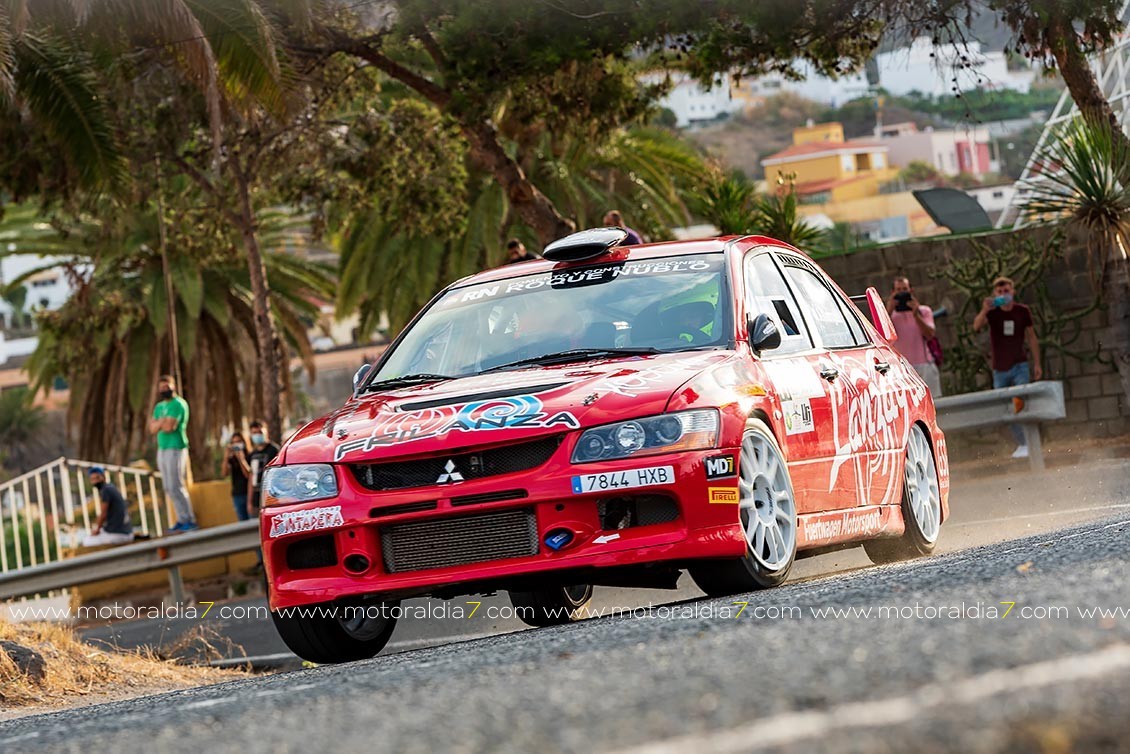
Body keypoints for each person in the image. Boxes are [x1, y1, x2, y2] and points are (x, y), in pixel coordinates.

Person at [973, 276, 1043, 459]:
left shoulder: (1022, 311)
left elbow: (1032, 337)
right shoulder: (993, 312)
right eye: (1000, 292)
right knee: (1006, 408)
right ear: (995, 294)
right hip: (1000, 368)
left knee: (1020, 403)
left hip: (1019, 364)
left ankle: (1029, 443)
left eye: (1006, 291)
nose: (1004, 294)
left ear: (1013, 291)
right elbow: (976, 326)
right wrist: (984, 309)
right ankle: (1023, 443)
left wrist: (1037, 363)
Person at [149, 375, 197, 531]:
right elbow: (152, 428)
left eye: (167, 386)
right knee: (168, 487)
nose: (164, 390)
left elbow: (170, 427)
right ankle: (180, 519)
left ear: (173, 386)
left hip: (176, 447)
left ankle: (189, 519)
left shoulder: (179, 404)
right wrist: (162, 422)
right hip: (162, 448)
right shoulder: (159, 407)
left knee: (176, 484)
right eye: (161, 387)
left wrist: (160, 423)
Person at [886, 276, 942, 396]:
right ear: (892, 292)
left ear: (911, 290)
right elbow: (880, 336)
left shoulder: (924, 311)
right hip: (901, 368)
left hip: (925, 365)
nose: (902, 293)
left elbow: (930, 334)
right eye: (898, 290)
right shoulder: (890, 316)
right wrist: (888, 311)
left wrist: (916, 315)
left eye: (904, 289)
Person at [82, 467, 134, 546]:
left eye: (97, 478)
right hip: (127, 533)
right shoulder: (111, 487)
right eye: (92, 479)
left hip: (118, 535)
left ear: (103, 477)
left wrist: (97, 529)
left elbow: (103, 514)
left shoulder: (106, 490)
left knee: (87, 541)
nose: (95, 481)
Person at [247, 421, 280, 515]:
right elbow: (251, 477)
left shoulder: (274, 450)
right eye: (254, 433)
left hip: (271, 498)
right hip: (256, 498)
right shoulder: (252, 455)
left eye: (259, 432)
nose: (257, 435)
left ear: (266, 432)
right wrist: (249, 501)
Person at [224, 432, 252, 521]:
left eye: (239, 442)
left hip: (249, 494)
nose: (237, 445)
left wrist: (241, 459)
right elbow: (224, 473)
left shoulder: (250, 456)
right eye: (234, 443)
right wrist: (226, 457)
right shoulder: (231, 459)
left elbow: (248, 474)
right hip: (237, 495)